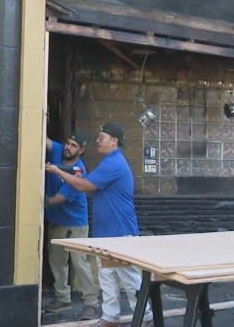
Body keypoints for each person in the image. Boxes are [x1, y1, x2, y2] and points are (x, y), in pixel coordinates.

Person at [45, 122, 153, 327]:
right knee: (107, 276)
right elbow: (91, 189)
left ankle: (146, 317)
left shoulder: (114, 163)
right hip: (107, 233)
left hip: (119, 232)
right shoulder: (109, 162)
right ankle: (110, 318)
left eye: (101, 138)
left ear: (114, 141)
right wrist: (71, 175)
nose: (97, 141)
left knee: (128, 277)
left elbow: (86, 185)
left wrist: (58, 172)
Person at [43, 131, 100, 320]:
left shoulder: (79, 171)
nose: (68, 147)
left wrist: (41, 201)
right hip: (57, 221)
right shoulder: (59, 151)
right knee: (57, 262)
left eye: (74, 145)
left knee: (79, 263)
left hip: (75, 223)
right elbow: (46, 141)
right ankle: (62, 298)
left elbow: (59, 198)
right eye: (68, 143)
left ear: (81, 150)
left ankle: (91, 303)